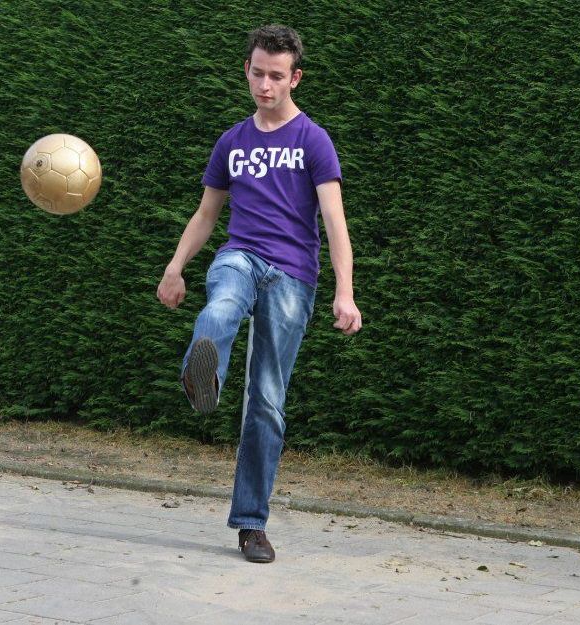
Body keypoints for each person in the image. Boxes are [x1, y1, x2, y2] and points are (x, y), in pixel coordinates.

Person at [156, 24, 362, 563]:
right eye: (257, 73)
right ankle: (206, 375)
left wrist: (346, 292)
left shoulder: (312, 140)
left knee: (267, 403)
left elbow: (335, 222)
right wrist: (176, 267)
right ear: (246, 71)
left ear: (295, 78)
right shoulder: (233, 141)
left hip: (293, 274)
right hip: (240, 255)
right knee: (222, 301)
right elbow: (206, 215)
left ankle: (251, 523)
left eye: (276, 76)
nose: (264, 85)